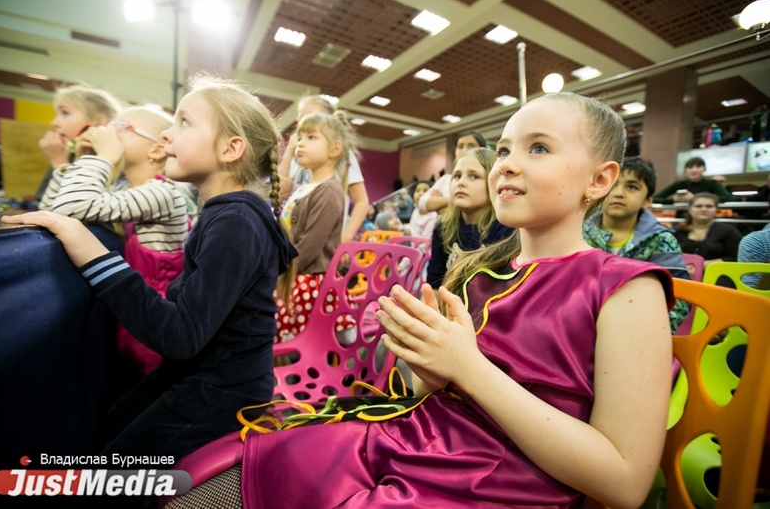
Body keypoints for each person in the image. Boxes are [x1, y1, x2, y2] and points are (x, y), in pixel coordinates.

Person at [164, 92, 674, 509]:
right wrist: (426, 368)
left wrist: (467, 369)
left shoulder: (626, 288)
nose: (507, 166)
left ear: (599, 180)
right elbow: (430, 394)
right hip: (406, 444)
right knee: (204, 485)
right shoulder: (480, 272)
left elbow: (625, 482)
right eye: (503, 151)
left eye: (538, 148)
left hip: (489, 488)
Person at [2, 75, 297, 479]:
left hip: (224, 390)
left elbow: (181, 336)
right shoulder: (225, 213)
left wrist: (93, 253)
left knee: (106, 478)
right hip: (200, 375)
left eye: (184, 122)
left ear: (230, 149)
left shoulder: (237, 221)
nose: (166, 133)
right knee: (103, 432)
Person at [38, 104, 197, 376]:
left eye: (120, 126)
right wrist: (86, 158)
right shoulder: (123, 189)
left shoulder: (163, 194)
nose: (107, 131)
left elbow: (70, 207)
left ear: (157, 149)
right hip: (130, 316)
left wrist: (104, 156)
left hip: (154, 325)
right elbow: (52, 212)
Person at [274, 111, 356, 343]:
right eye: (300, 137)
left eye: (311, 137)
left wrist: (278, 275)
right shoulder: (304, 188)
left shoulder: (328, 191)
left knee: (302, 343)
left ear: (334, 149)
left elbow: (308, 249)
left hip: (308, 282)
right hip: (293, 274)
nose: (300, 143)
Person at [583, 156, 690, 333]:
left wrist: (646, 333)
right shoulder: (579, 233)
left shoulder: (661, 240)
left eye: (632, 187)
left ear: (647, 200)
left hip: (638, 332)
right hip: (580, 330)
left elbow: (679, 298)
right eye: (613, 185)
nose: (618, 193)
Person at [278, 94, 369, 242]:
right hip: (297, 236)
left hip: (325, 238)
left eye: (311, 116)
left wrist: (346, 237)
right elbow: (279, 194)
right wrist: (289, 152)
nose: (302, 121)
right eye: (300, 117)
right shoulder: (299, 153)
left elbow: (361, 201)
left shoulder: (341, 154)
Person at [426, 147, 513, 288]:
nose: (461, 182)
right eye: (457, 176)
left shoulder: (506, 229)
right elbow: (433, 284)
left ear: (493, 183)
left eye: (474, 176)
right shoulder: (443, 227)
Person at [35, 83, 123, 202]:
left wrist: (59, 163)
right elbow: (42, 201)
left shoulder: (116, 163)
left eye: (65, 113)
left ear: (99, 121)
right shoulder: (69, 153)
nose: (54, 123)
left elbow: (73, 206)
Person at [418, 130, 488, 215]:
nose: (464, 150)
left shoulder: (486, 176)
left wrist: (440, 204)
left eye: (471, 146)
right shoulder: (445, 179)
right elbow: (422, 203)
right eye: (460, 146)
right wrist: (454, 199)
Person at [675, 192, 742, 266]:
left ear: (716, 209)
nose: (704, 209)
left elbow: (735, 258)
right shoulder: (678, 232)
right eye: (698, 206)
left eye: (709, 206)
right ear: (689, 209)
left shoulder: (730, 232)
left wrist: (701, 265)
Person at [653, 156, 733, 204]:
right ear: (685, 170)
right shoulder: (679, 184)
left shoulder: (712, 183)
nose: (694, 170)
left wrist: (695, 198)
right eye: (690, 167)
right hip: (683, 218)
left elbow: (727, 198)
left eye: (698, 167)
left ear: (704, 169)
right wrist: (673, 200)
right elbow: (655, 198)